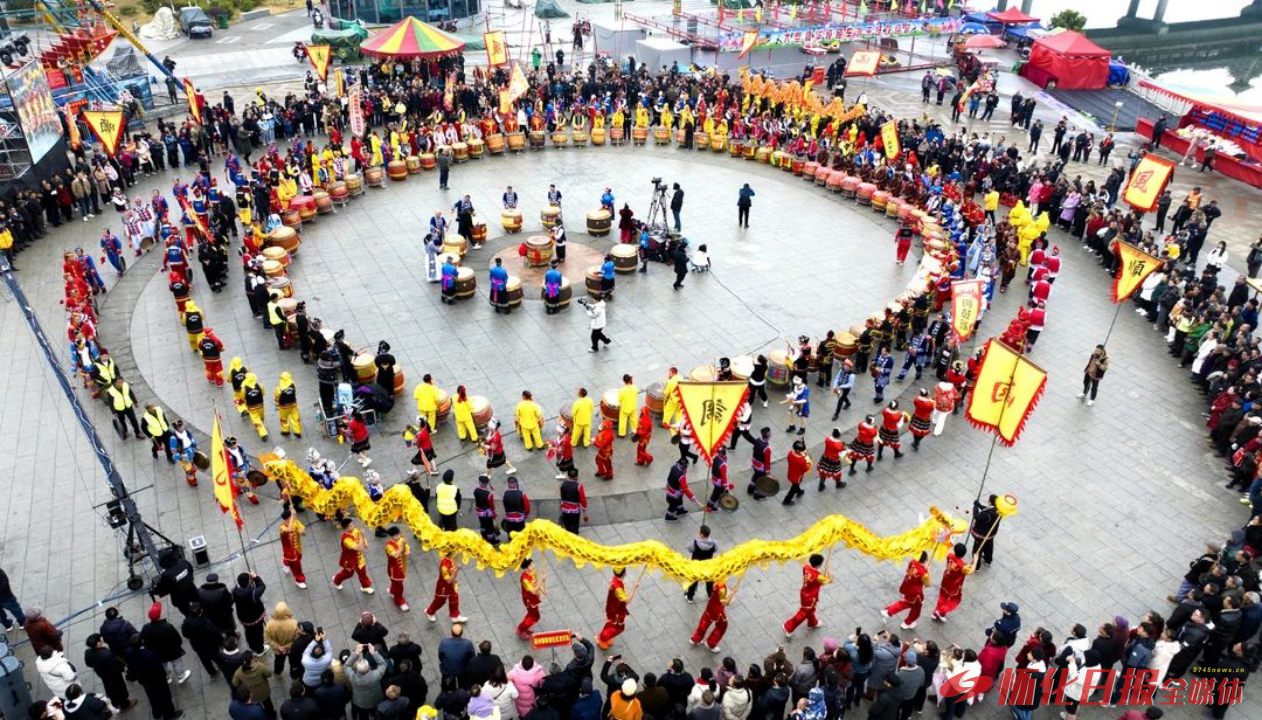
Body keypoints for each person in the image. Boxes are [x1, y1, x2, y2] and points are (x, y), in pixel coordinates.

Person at [142, 601, 192, 683]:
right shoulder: (167, 627)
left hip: (157, 652)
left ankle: (168, 677)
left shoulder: (146, 628)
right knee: (177, 663)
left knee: (163, 665)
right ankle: (181, 676)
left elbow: (145, 641)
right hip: (171, 650)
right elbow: (177, 638)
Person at [84, 633, 137, 710]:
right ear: (98, 643)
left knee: (109, 688)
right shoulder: (106, 654)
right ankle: (125, 704)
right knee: (120, 689)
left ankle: (115, 702)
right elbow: (115, 667)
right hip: (114, 675)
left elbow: (88, 664)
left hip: (102, 674)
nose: (102, 638)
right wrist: (121, 668)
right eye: (100, 638)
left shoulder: (88, 652)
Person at [783, 554, 830, 637]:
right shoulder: (818, 576)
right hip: (811, 597)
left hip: (804, 592)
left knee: (810, 610)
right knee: (803, 613)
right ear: (819, 565)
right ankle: (788, 626)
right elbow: (828, 580)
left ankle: (813, 623)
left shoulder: (806, 567)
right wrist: (827, 570)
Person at [690, 578, 733, 653]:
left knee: (704, 622)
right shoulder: (722, 586)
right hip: (718, 611)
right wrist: (732, 593)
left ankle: (696, 638)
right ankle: (711, 643)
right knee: (722, 626)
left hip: (710, 606)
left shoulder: (714, 580)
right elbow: (725, 603)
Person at [931, 543, 972, 622]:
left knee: (942, 596)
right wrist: (975, 560)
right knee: (955, 600)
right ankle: (940, 611)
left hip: (946, 580)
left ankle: (936, 613)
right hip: (954, 585)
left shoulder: (950, 556)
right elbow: (970, 571)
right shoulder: (963, 566)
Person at [332, 516, 374, 593]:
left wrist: (364, 539)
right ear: (346, 528)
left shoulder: (355, 530)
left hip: (359, 558)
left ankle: (365, 587)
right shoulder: (346, 539)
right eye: (351, 525)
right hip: (349, 560)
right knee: (348, 573)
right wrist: (362, 536)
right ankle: (336, 580)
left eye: (353, 524)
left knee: (362, 573)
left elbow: (361, 537)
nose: (353, 526)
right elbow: (359, 548)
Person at [596, 568, 634, 650]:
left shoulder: (615, 579)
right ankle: (602, 639)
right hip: (616, 611)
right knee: (618, 628)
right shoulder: (618, 589)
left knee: (612, 624)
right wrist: (634, 588)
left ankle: (604, 638)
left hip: (613, 608)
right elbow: (627, 600)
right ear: (624, 574)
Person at [232, 572, 268, 655]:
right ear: (248, 582)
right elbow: (262, 586)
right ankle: (259, 650)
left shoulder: (234, 591)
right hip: (255, 618)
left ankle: (252, 646)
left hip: (244, 618)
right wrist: (256, 577)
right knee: (258, 634)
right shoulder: (253, 593)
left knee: (249, 632)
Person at [425, 553, 468, 623]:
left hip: (451, 584)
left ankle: (455, 616)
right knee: (440, 602)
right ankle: (429, 612)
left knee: (454, 598)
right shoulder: (444, 566)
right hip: (443, 587)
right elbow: (448, 581)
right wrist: (456, 570)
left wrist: (455, 574)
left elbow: (452, 576)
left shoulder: (451, 559)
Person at [970, 494, 1002, 567]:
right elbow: (988, 509)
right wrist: (979, 505)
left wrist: (975, 507)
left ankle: (976, 566)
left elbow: (977, 516)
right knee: (989, 547)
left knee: (977, 550)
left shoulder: (987, 514)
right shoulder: (999, 511)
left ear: (990, 502)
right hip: (991, 534)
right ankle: (988, 560)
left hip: (982, 535)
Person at [385, 526, 411, 611]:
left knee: (397, 583)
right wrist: (403, 545)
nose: (399, 536)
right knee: (399, 587)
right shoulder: (389, 546)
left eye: (399, 534)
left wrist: (407, 551)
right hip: (394, 569)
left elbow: (406, 547)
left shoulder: (400, 539)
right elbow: (395, 555)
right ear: (392, 536)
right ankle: (399, 601)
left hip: (402, 566)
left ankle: (392, 590)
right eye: (397, 535)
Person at [517, 558, 544, 640]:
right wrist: (542, 581)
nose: (533, 566)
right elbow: (533, 590)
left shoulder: (533, 572)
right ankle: (521, 629)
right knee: (535, 617)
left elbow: (536, 583)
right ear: (526, 567)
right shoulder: (524, 579)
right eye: (531, 565)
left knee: (531, 615)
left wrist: (542, 589)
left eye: (532, 564)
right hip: (530, 600)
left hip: (535, 598)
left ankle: (524, 628)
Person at [0, 566, 27, 631]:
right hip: (5, 596)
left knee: (0, 614)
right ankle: (22, 622)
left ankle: (7, 625)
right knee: (15, 609)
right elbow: (4, 581)